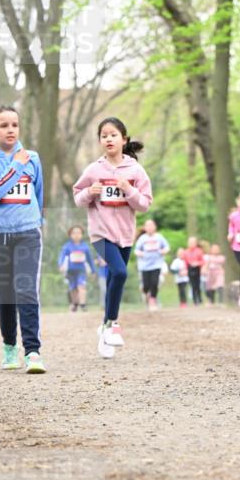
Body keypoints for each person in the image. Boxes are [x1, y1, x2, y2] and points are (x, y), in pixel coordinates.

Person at [0, 105, 46, 372]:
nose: (11, 130)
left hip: (28, 232)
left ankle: (33, 352)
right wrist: (16, 166)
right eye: (4, 125)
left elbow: (38, 193)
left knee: (26, 289)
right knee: (5, 292)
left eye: (14, 124)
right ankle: (9, 346)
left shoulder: (33, 158)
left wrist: (37, 222)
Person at [73, 116, 152, 358]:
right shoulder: (94, 169)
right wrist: (89, 191)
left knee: (112, 280)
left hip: (125, 235)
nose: (108, 139)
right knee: (119, 273)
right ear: (100, 141)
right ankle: (112, 324)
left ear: (123, 139)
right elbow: (78, 198)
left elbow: (144, 204)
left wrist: (129, 190)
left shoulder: (135, 170)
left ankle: (105, 329)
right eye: (104, 136)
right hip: (101, 233)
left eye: (113, 135)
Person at [58, 225, 96, 311]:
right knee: (73, 287)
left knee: (81, 286)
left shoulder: (85, 246)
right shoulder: (67, 246)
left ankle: (83, 304)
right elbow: (62, 256)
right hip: (70, 270)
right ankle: (75, 304)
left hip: (81, 270)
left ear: (82, 234)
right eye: (74, 233)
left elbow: (90, 259)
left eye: (79, 233)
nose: (76, 235)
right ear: (70, 235)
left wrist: (93, 271)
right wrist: (60, 265)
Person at [135, 218, 169, 311]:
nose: (150, 227)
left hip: (156, 264)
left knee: (154, 282)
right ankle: (147, 294)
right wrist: (140, 253)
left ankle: (152, 299)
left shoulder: (159, 237)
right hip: (144, 266)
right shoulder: (142, 238)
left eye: (151, 225)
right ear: (145, 228)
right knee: (146, 285)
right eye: (148, 226)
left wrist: (163, 251)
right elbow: (136, 250)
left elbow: (166, 247)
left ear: (155, 227)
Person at [183, 236, 204, 305]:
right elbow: (185, 262)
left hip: (197, 269)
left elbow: (203, 261)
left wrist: (197, 263)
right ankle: (195, 300)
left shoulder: (199, 251)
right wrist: (185, 269)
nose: (191, 244)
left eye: (193, 242)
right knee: (192, 285)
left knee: (198, 284)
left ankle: (199, 299)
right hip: (190, 269)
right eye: (190, 242)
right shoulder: (186, 252)